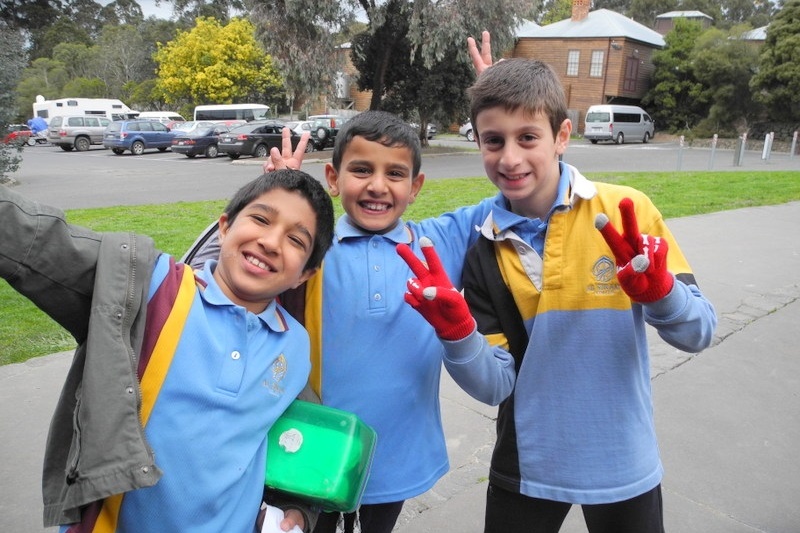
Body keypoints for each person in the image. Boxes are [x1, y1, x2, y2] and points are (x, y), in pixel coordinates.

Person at [398, 34, 718, 533]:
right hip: (527, 464)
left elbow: (697, 333)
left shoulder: (624, 210)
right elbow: (494, 385)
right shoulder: (481, 246)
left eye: (528, 137)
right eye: (493, 140)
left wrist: (662, 295)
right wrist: (458, 337)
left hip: (622, 459)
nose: (510, 158)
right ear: (477, 141)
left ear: (562, 135)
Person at [185, 110, 511, 533]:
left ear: (415, 187)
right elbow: (221, 268)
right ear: (333, 178)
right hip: (306, 454)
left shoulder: (443, 239)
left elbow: (516, 190)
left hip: (395, 460)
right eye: (361, 169)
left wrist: (498, 109)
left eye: (395, 173)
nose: (377, 185)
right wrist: (274, 198)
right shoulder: (306, 250)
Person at [0, 169, 335, 533]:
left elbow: (298, 444)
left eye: (295, 241)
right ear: (224, 226)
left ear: (306, 274)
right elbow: (39, 242)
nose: (271, 242)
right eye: (260, 219)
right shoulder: (147, 289)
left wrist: (297, 511)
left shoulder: (295, 347)